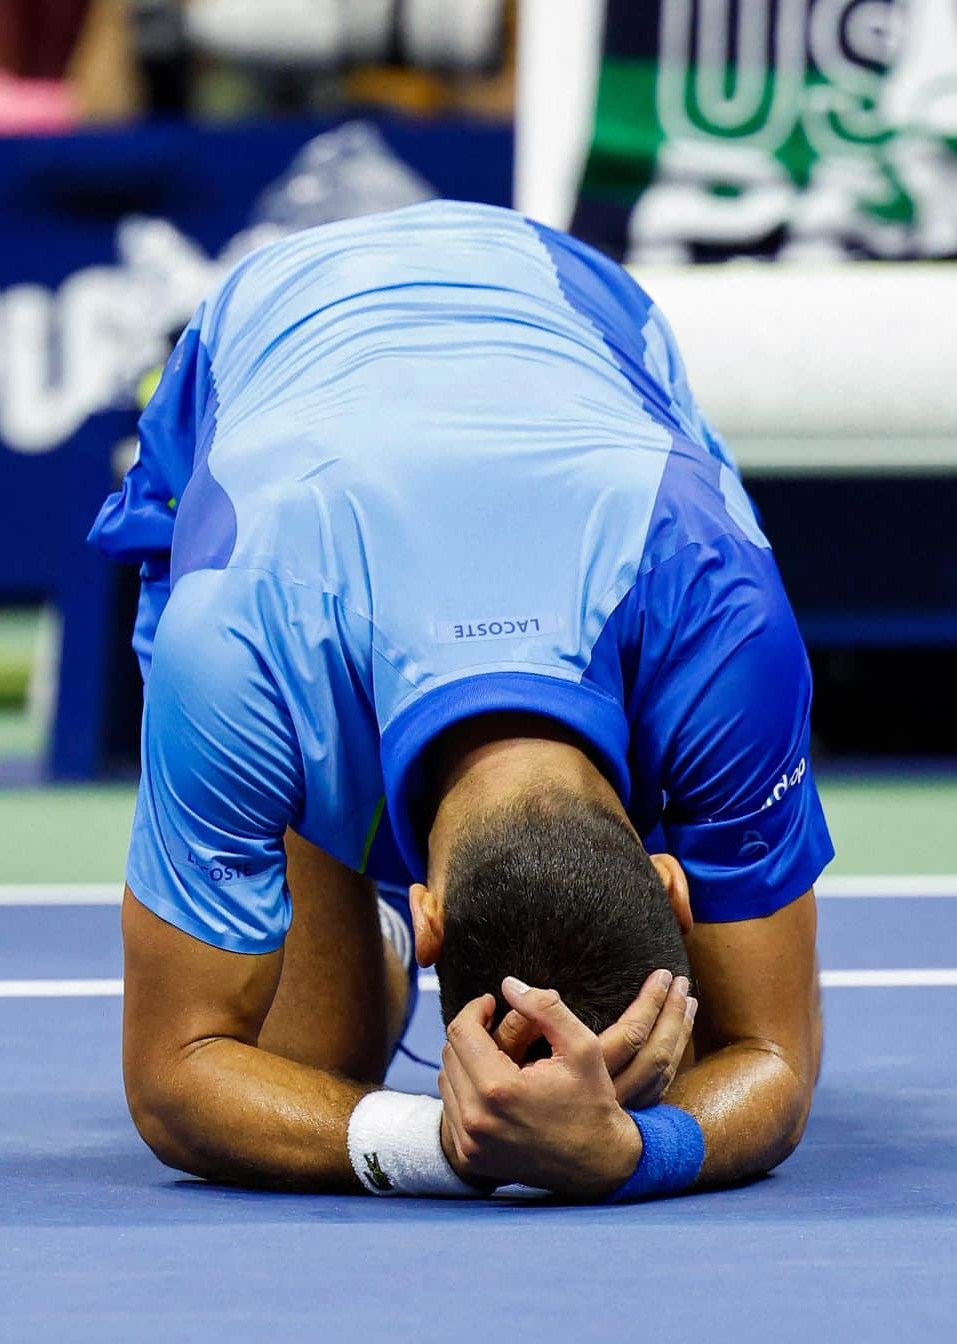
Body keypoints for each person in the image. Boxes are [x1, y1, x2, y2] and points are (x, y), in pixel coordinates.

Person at [90, 199, 834, 1202]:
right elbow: (172, 1084)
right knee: (317, 1052)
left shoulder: (727, 620)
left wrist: (627, 1149)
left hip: (571, 317)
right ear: (669, 881)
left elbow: (774, 1060)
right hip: (275, 334)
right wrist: (456, 1141)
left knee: (304, 1085)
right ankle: (336, 853)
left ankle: (353, 876)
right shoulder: (235, 651)